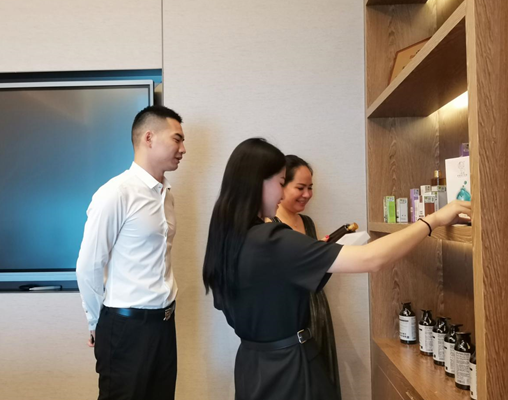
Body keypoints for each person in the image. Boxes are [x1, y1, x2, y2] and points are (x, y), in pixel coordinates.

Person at [202, 138, 470, 400]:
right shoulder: (271, 240)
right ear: (258, 182)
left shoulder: (227, 239)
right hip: (288, 370)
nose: (282, 194)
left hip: (251, 366)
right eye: (281, 183)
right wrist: (433, 220)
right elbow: (373, 259)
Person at [76, 105, 186, 400]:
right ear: (149, 137)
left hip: (165, 325)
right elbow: (89, 265)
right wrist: (95, 323)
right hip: (125, 328)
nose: (183, 149)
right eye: (177, 139)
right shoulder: (116, 193)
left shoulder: (166, 195)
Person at [273, 155, 342, 400]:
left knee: (321, 383)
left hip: (317, 310)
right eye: (300, 187)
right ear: (281, 185)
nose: (307, 194)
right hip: (289, 316)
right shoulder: (270, 225)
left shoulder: (308, 223)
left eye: (310, 187)